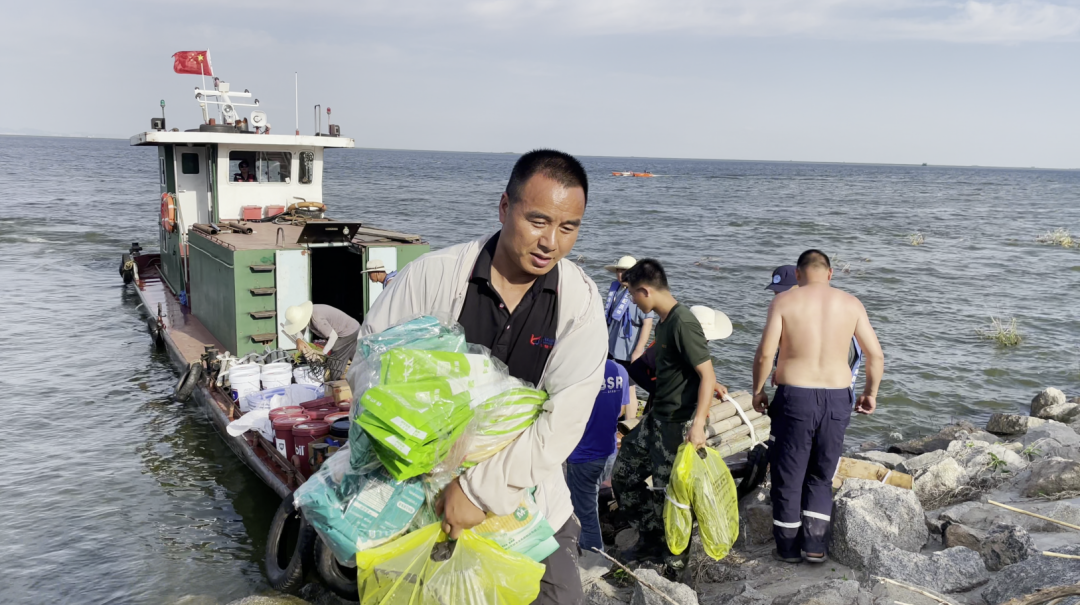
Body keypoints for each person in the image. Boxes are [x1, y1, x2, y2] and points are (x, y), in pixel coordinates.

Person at [359, 149, 607, 605]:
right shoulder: (431, 278)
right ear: (504, 207)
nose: (550, 241)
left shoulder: (581, 303)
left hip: (527, 501)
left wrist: (478, 491)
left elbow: (564, 420)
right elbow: (371, 368)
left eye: (567, 227)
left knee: (560, 597)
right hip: (421, 499)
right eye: (538, 220)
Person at [751, 250, 884, 565]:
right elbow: (875, 356)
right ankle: (814, 546)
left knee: (789, 472)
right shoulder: (851, 304)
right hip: (837, 396)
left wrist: (757, 390)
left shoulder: (784, 302)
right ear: (830, 273)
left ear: (797, 275)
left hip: (796, 395)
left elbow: (764, 354)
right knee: (822, 473)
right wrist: (870, 393)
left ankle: (787, 548)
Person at [611, 259, 728, 565]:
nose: (634, 302)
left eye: (634, 295)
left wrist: (699, 425)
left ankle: (674, 564)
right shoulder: (665, 323)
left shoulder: (683, 322)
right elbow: (689, 369)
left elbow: (707, 374)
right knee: (623, 477)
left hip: (677, 424)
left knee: (672, 495)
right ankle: (650, 538)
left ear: (645, 290)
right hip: (655, 419)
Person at [766, 265, 863, 399]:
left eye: (785, 291)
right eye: (776, 292)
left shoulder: (830, 314)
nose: (779, 297)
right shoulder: (792, 312)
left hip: (829, 391)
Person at [566, 359, 630, 554]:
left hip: (584, 454)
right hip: (609, 451)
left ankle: (594, 557)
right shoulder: (619, 370)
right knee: (590, 501)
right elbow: (622, 409)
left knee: (585, 515)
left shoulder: (578, 368)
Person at [603, 255, 656, 420]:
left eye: (625, 271)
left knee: (629, 387)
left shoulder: (640, 293)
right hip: (612, 346)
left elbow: (647, 323)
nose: (621, 275)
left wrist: (638, 350)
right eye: (619, 271)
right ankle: (614, 417)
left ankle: (629, 424)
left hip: (628, 349)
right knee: (613, 384)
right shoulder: (616, 290)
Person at [281, 302, 361, 381]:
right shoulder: (308, 314)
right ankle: (364, 377)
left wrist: (323, 353)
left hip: (347, 333)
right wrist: (298, 339)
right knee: (358, 358)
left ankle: (337, 386)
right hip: (353, 328)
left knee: (335, 363)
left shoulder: (317, 320)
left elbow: (333, 337)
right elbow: (302, 326)